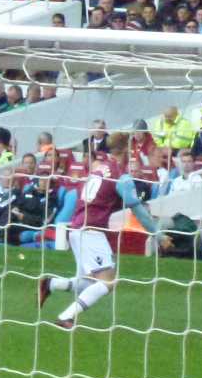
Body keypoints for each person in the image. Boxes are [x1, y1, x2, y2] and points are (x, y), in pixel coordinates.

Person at [39, 132, 169, 329]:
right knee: (108, 283)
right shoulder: (120, 177)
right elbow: (138, 210)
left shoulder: (98, 169)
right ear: (127, 149)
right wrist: (158, 235)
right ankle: (66, 317)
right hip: (92, 230)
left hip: (77, 228)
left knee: (89, 283)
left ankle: (51, 284)